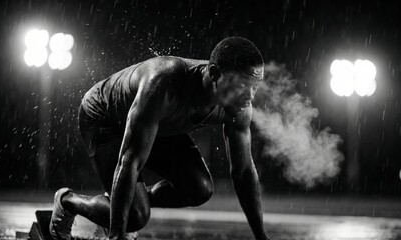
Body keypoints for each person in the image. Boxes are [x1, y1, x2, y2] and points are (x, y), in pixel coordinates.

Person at [49, 37, 270, 240]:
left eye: (255, 87)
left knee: (199, 188)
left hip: (158, 124)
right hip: (105, 118)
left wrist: (262, 237)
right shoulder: (164, 82)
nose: (250, 96)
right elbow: (130, 162)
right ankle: (67, 201)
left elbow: (243, 172)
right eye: (242, 85)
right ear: (214, 74)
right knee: (136, 217)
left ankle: (118, 205)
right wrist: (117, 235)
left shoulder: (241, 107)